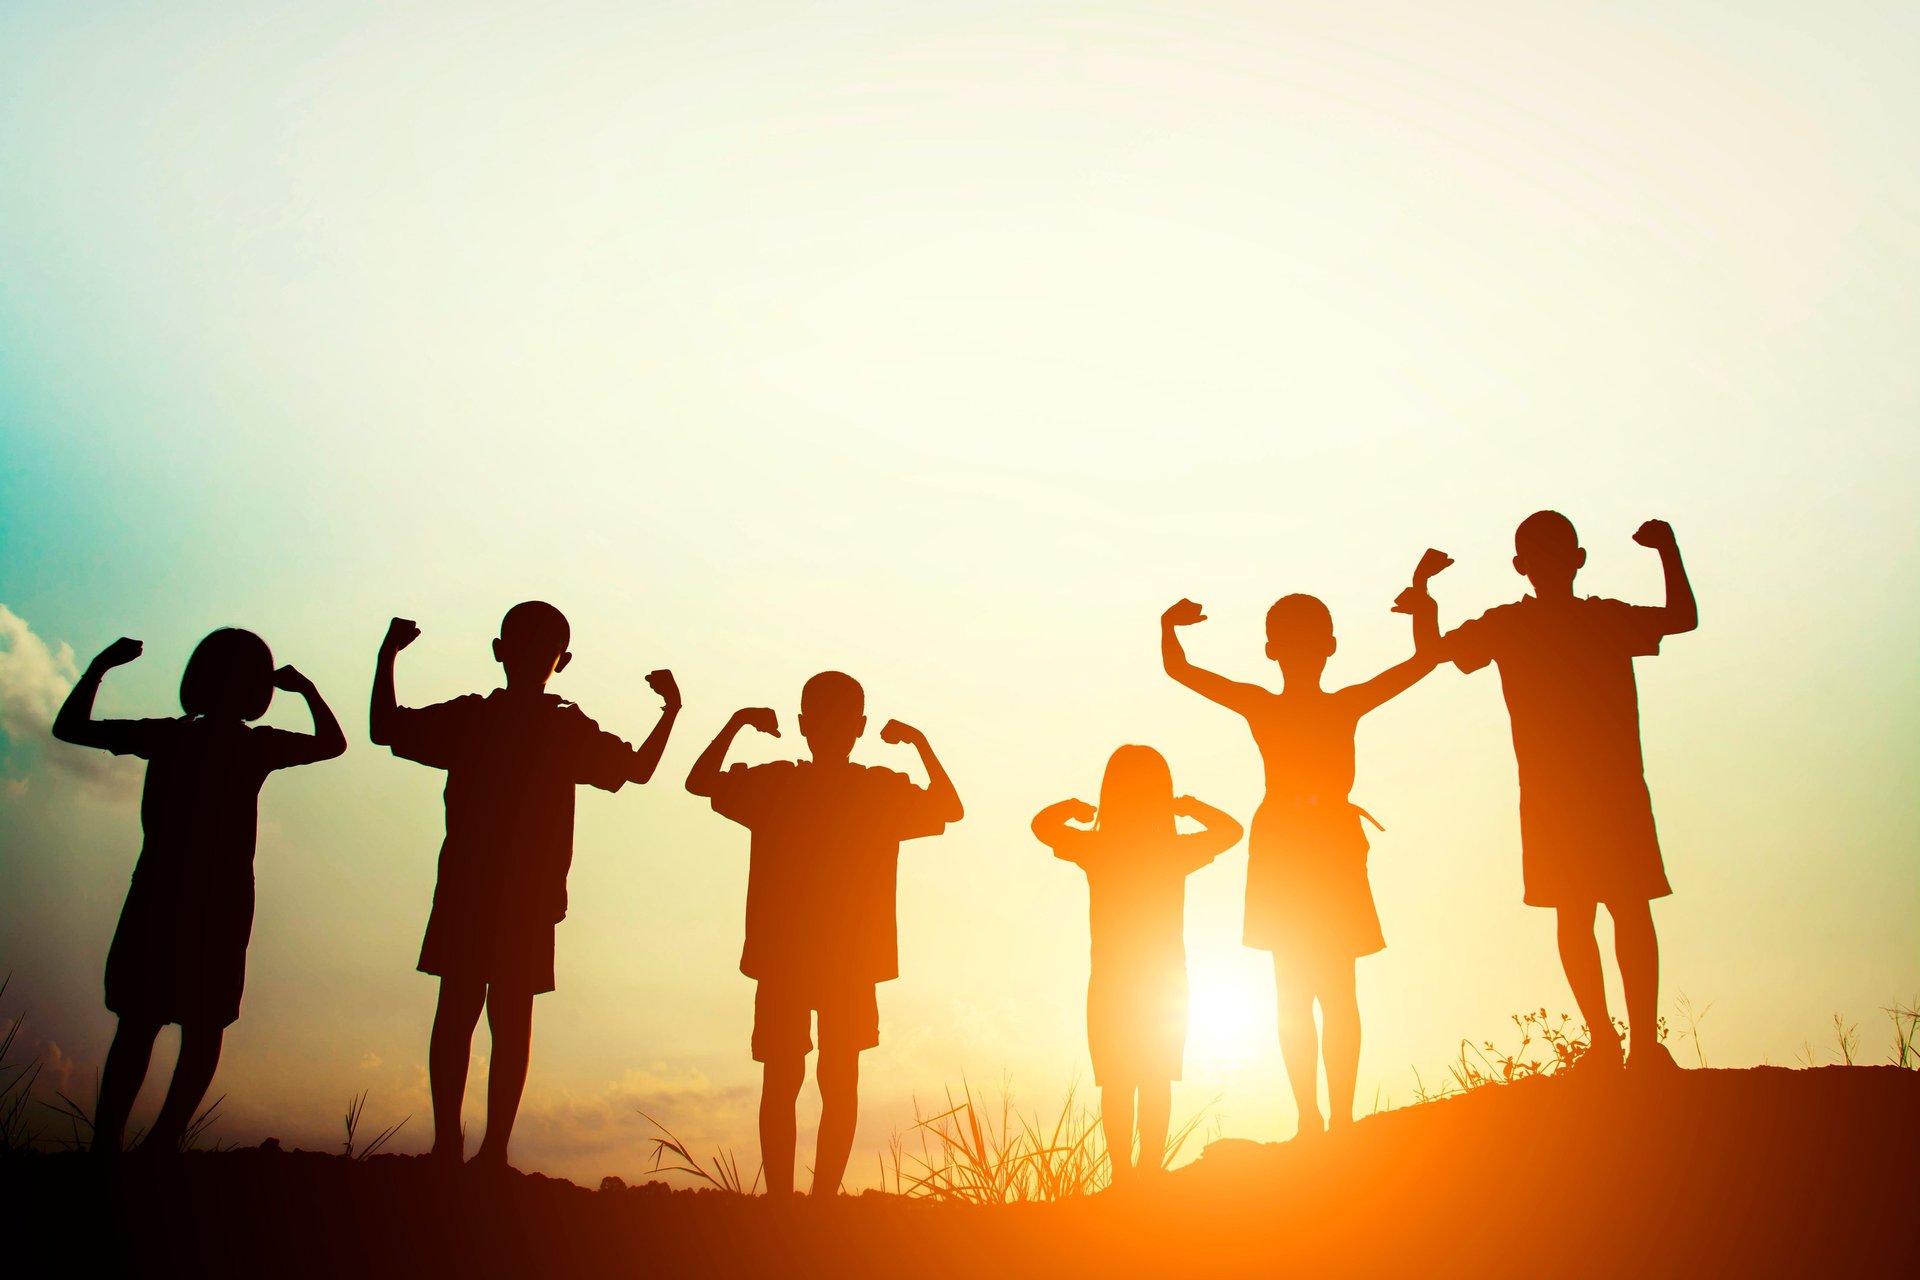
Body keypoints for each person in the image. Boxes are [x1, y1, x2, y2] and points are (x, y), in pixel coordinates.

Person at [369, 603, 681, 1170]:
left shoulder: (482, 719)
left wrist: (387, 656)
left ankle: (453, 1146)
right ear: (562, 661)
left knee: (460, 1012)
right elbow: (635, 770)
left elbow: (384, 729)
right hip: (519, 897)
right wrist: (671, 712)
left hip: (477, 890)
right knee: (505, 1020)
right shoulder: (557, 726)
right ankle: (487, 1151)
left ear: (498, 650)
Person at [1160, 556, 1441, 1139]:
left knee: (1308, 988)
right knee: (1327, 988)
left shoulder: (1280, 704)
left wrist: (1170, 626)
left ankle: (1321, 1118)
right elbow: (1424, 660)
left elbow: (1179, 669)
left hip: (1305, 846)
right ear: (1330, 646)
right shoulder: (1333, 703)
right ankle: (1326, 1118)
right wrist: (1422, 606)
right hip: (1304, 847)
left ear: (1273, 650)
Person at [51, 628, 346, 1154]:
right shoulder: (253, 745)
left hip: (163, 889)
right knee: (202, 1023)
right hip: (219, 896)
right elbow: (332, 743)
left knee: (142, 1022)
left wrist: (100, 666)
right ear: (258, 690)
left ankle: (109, 1142)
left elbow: (70, 727)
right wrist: (306, 691)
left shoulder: (170, 736)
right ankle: (163, 1138)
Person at [1428, 513, 1696, 1072]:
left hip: (1577, 793)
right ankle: (1626, 1044)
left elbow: (1435, 652)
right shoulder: (1594, 619)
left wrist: (1426, 597)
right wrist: (1666, 550)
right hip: (1593, 792)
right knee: (1615, 910)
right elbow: (1681, 618)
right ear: (1574, 560)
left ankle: (1618, 1043)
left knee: (1592, 913)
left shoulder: (1529, 623)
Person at [686, 672, 962, 1197]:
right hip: (844, 958)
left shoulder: (778, 785)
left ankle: (786, 1201)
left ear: (802, 724)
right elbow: (949, 806)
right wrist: (920, 743)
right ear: (859, 727)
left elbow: (701, 780)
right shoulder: (875, 790)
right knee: (836, 1080)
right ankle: (819, 1199)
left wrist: (739, 723)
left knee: (787, 1079)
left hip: (791, 955)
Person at [1032, 746, 1242, 1184]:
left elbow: (1043, 826)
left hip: (1112, 980)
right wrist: (1186, 806)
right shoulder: (1172, 849)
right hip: (1163, 981)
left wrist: (1072, 807)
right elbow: (1230, 830)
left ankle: (1125, 1176)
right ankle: (1147, 1173)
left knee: (1118, 1080)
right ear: (1160, 793)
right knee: (1155, 1078)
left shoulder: (1097, 845)